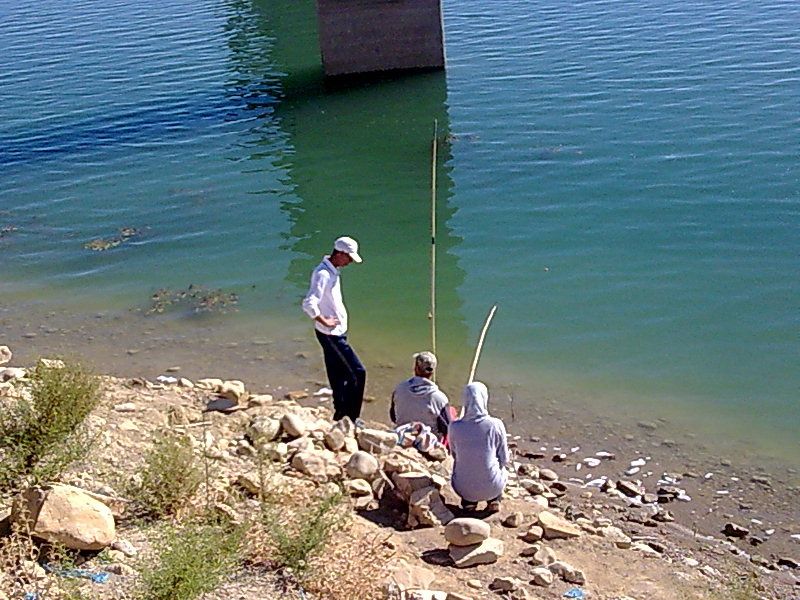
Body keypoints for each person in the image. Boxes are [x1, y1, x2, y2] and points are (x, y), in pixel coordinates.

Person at [302, 236, 366, 422]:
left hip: (334, 332)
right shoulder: (323, 274)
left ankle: (340, 413)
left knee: (338, 373)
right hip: (331, 334)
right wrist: (322, 320)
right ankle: (352, 417)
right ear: (339, 254)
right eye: (349, 258)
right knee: (358, 372)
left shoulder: (332, 271)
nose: (350, 262)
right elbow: (309, 302)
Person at [447, 381, 510, 512]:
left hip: (462, 488)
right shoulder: (495, 425)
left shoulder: (454, 427)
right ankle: (494, 499)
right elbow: (504, 459)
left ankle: (468, 502)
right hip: (492, 486)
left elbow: (454, 454)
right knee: (500, 468)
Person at [390, 351, 451, 440]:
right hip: (428, 441)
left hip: (402, 435)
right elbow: (446, 429)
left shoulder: (399, 388)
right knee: (451, 412)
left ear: (416, 368)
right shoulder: (439, 398)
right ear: (432, 372)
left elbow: (393, 417)